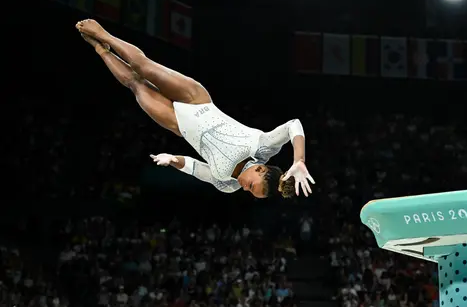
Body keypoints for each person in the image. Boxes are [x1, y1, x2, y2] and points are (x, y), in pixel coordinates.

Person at [76, 19, 314, 198]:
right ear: (261, 169)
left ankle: (100, 50)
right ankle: (104, 35)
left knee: (136, 85)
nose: (246, 188)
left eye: (251, 192)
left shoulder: (227, 185)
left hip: (179, 126)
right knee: (143, 67)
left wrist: (173, 159)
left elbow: (196, 169)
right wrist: (299, 160)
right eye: (252, 186)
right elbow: (293, 126)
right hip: (196, 100)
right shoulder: (262, 148)